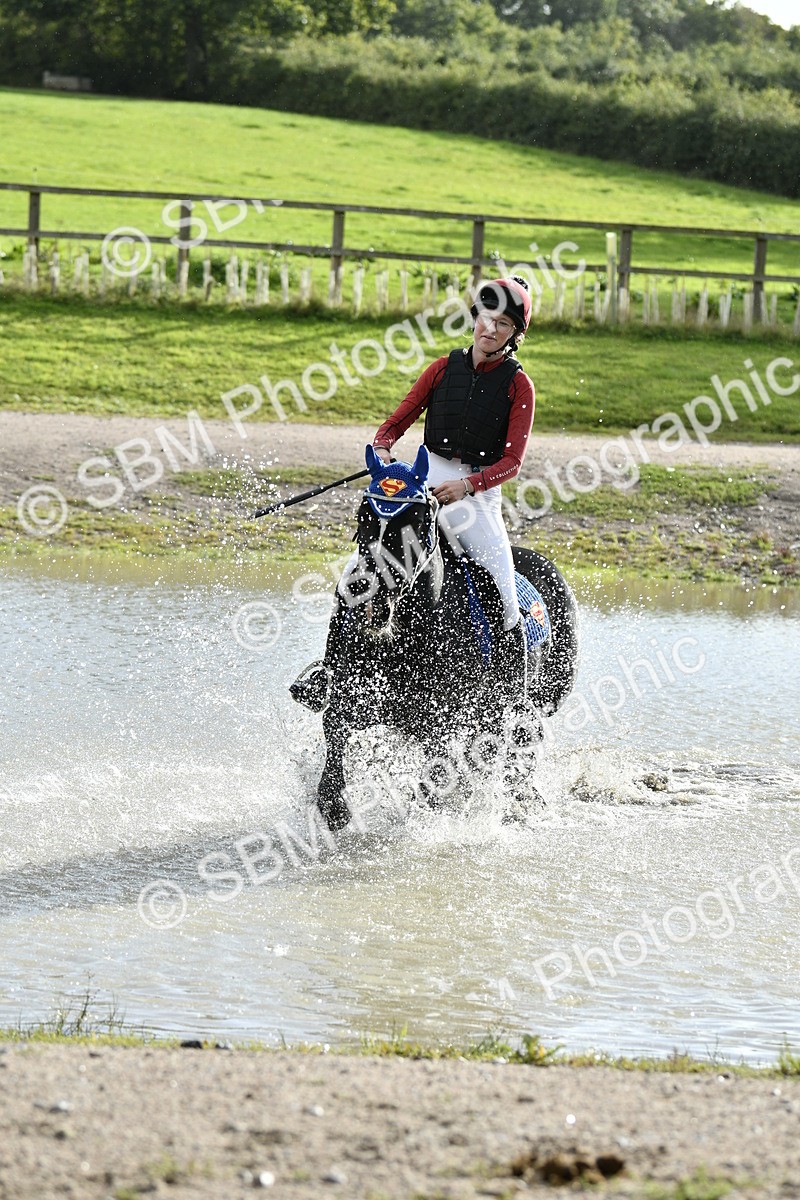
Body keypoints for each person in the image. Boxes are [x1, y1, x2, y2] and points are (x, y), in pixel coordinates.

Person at [290, 275, 535, 711]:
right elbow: (396, 422)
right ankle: (329, 672)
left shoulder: (520, 386)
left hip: (477, 493)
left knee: (502, 583)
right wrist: (383, 446)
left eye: (503, 324)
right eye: (486, 318)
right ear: (474, 318)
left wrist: (467, 485)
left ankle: (515, 707)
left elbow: (512, 462)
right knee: (354, 570)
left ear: (514, 334)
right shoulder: (441, 368)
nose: (490, 329)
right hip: (423, 480)